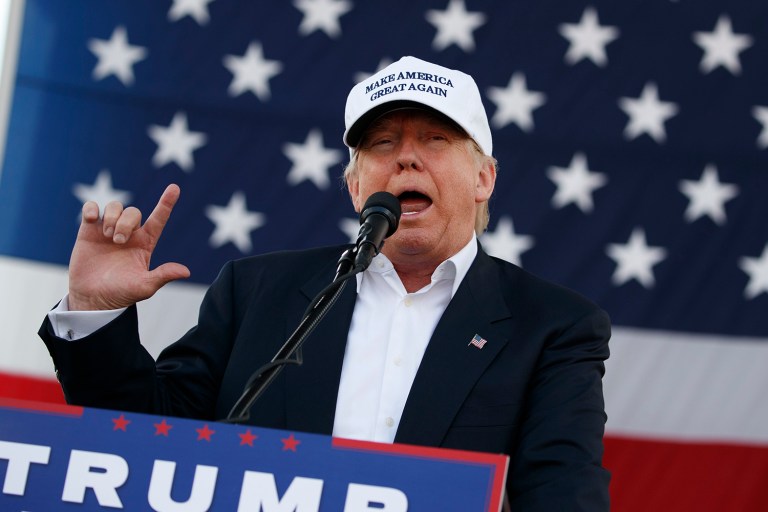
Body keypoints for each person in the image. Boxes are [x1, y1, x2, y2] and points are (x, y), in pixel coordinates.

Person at [40, 56, 611, 509]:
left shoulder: (553, 327)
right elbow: (146, 441)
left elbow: (563, 495)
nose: (406, 159)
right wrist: (95, 311)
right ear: (356, 186)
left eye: (436, 139)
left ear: (483, 177)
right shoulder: (256, 290)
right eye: (382, 144)